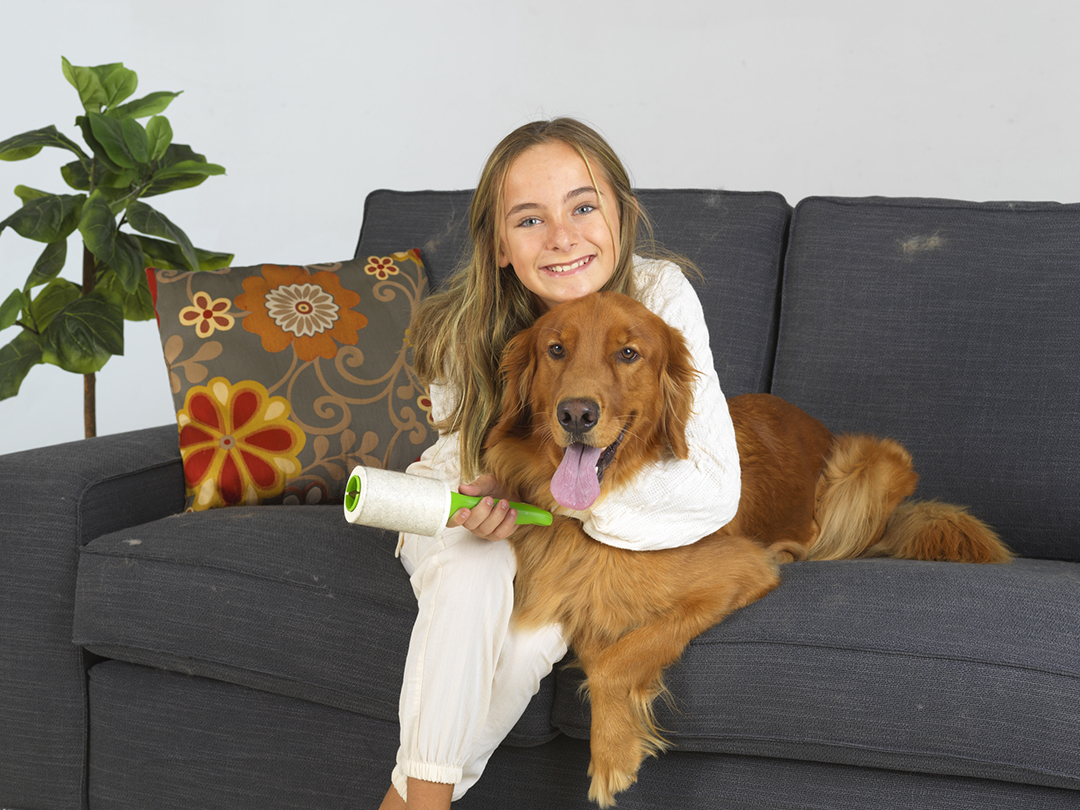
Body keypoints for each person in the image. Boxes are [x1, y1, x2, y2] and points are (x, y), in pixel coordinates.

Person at [378, 118, 741, 810]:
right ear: (499, 245)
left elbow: (715, 489)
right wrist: (483, 494)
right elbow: (466, 463)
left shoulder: (660, 295)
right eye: (529, 219)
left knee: (532, 638)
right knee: (472, 569)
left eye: (582, 207)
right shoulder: (462, 325)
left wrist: (560, 493)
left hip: (544, 516)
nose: (562, 237)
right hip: (458, 501)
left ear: (621, 216)